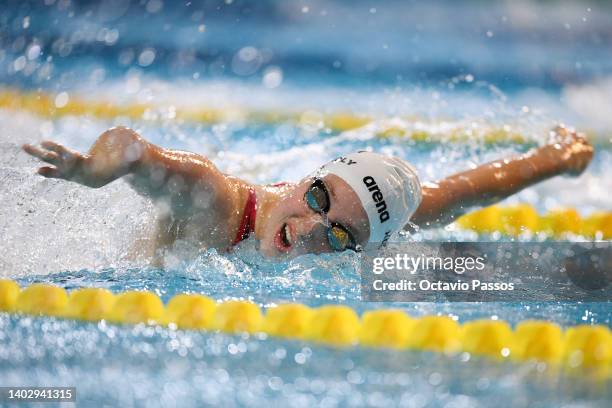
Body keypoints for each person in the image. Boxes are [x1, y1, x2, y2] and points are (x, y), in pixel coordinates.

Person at [22, 125, 593, 259]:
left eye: (340, 233)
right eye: (317, 200)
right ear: (306, 178)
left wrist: (556, 159)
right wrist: (94, 170)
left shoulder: (382, 220)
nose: (309, 230)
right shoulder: (219, 204)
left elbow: (464, 191)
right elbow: (134, 150)